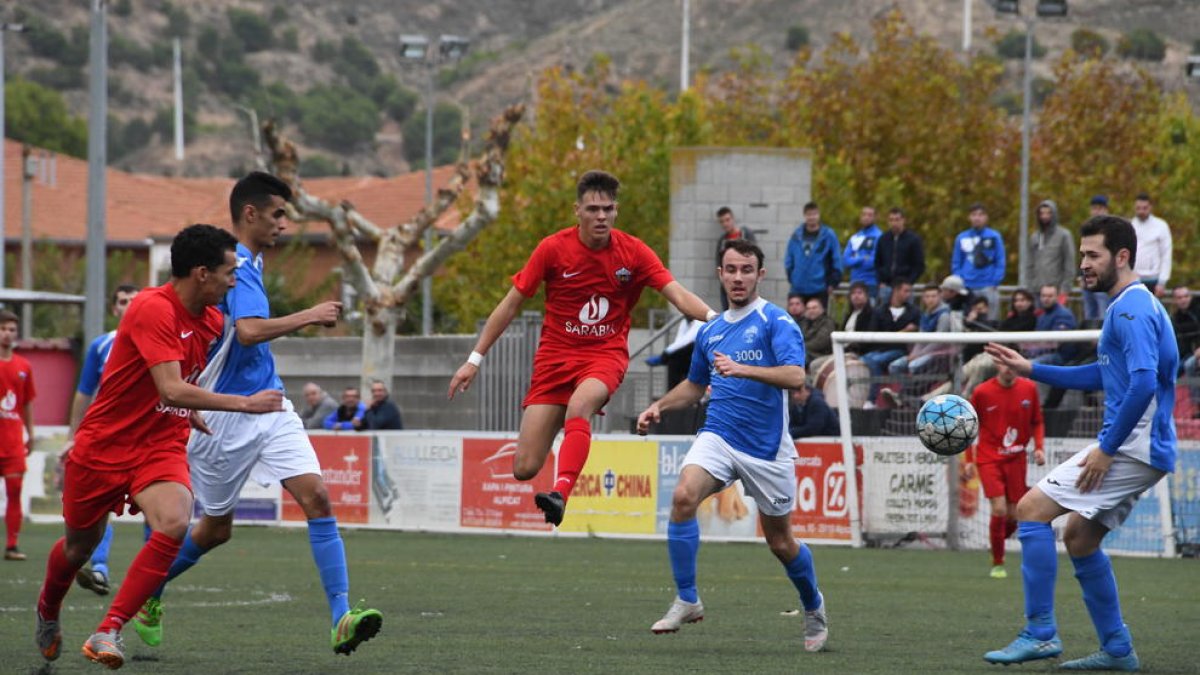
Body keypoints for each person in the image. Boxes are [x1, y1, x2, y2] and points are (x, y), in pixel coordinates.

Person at [133, 173, 382, 656]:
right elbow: (246, 331)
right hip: (224, 415)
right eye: (277, 215)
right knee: (214, 530)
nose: (284, 224)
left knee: (319, 499)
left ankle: (341, 617)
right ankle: (150, 591)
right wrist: (309, 314)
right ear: (250, 214)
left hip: (271, 404)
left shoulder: (250, 261)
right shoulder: (235, 265)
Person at [34, 224, 284, 668]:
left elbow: (177, 386)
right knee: (79, 548)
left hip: (160, 442)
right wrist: (244, 404)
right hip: (105, 445)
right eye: (229, 272)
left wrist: (191, 410)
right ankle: (48, 610)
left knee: (173, 520)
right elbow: (170, 388)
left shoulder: (209, 320)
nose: (234, 281)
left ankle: (108, 630)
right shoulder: (152, 308)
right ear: (202, 273)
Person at [447, 170, 716, 527]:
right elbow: (510, 305)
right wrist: (474, 360)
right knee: (524, 467)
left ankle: (560, 492)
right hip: (554, 360)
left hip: (603, 357)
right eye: (593, 209)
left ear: (616, 210)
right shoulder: (552, 249)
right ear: (578, 210)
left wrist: (717, 318)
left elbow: (679, 296)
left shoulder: (633, 252)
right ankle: (571, 435)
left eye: (607, 209)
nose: (601, 216)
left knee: (580, 406)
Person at [983, 215, 1178, 671]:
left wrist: (1107, 448)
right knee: (1079, 537)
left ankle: (1040, 632)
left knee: (1029, 509)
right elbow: (1103, 375)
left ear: (1122, 257)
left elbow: (1145, 383)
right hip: (1144, 446)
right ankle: (1117, 649)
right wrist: (1032, 369)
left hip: (1133, 446)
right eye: (1084, 255)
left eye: (1093, 255)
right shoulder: (1133, 305)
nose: (1084, 265)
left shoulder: (1129, 309)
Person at [634, 239, 827, 652]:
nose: (738, 277)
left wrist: (743, 369)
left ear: (760, 274)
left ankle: (813, 605)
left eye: (746, 270)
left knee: (781, 543)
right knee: (684, 496)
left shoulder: (776, 321)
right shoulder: (713, 329)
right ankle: (687, 598)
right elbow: (695, 384)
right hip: (719, 434)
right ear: (720, 274)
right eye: (730, 269)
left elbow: (796, 377)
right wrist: (660, 406)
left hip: (766, 448)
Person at [66, 284, 140, 593]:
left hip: (148, 439)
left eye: (134, 301)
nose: (128, 306)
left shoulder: (162, 340)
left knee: (165, 510)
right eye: (122, 301)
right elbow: (84, 393)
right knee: (102, 508)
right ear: (114, 309)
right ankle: (99, 567)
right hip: (109, 438)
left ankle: (153, 585)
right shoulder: (102, 346)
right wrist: (73, 435)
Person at [966, 359, 1045, 579]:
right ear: (997, 367)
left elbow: (1037, 421)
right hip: (988, 458)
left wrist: (1039, 448)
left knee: (1014, 515)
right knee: (999, 509)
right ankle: (998, 563)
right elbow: (971, 427)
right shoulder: (982, 392)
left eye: (1011, 364)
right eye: (1003, 364)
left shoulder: (1029, 388)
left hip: (1016, 459)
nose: (1008, 368)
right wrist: (970, 459)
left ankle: (996, 543)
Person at [0, 310, 34, 562]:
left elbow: (27, 403)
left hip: (12, 441)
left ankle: (12, 546)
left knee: (15, 490)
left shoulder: (24, 366)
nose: (7, 333)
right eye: (3, 329)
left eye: (11, 329)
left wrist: (30, 433)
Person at [860, 278, 920, 406]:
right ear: (896, 291)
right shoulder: (880, 310)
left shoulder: (914, 312)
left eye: (910, 291)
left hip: (899, 350)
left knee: (875, 361)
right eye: (906, 291)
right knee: (864, 359)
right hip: (880, 349)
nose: (908, 294)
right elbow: (873, 332)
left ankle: (871, 399)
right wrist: (903, 331)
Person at [784, 201, 842, 310]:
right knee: (794, 322)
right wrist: (792, 277)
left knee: (817, 321)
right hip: (797, 288)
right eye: (809, 214)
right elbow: (789, 258)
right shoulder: (796, 236)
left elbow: (836, 259)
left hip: (820, 288)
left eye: (814, 214)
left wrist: (833, 282)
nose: (812, 217)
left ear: (819, 215)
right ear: (804, 215)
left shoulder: (828, 235)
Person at [952, 204, 1006, 319]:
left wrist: (994, 281)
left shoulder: (994, 236)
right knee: (968, 320)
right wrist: (960, 281)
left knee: (991, 320)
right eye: (974, 215)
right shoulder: (961, 238)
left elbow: (1000, 260)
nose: (977, 218)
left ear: (986, 218)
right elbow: (956, 262)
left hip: (988, 285)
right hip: (967, 286)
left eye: (981, 215)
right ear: (969, 217)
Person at [1025, 200, 1075, 303]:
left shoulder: (1064, 235)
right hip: (1036, 291)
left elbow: (1069, 263)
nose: (1044, 216)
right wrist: (1029, 285)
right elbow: (1029, 263)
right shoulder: (1035, 237)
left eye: (1048, 213)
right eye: (1042, 213)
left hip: (1055, 291)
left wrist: (1065, 289)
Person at [873, 207, 925, 306]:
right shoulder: (883, 239)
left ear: (903, 220)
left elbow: (919, 265)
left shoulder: (913, 240)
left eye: (897, 220)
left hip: (905, 285)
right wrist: (880, 281)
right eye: (891, 220)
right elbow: (877, 262)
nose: (894, 223)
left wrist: (909, 282)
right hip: (886, 285)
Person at [714, 206, 756, 310]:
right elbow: (718, 263)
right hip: (727, 285)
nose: (725, 224)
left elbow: (755, 256)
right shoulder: (722, 241)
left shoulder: (745, 235)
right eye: (722, 221)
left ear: (733, 219)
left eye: (727, 220)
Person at [1130, 193, 1171, 298]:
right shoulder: (1130, 225)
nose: (1141, 211)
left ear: (1150, 207)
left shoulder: (1161, 226)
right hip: (1134, 279)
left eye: (1144, 208)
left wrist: (1162, 282)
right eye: (1138, 208)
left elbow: (1166, 254)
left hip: (1154, 279)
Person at [645, 318, 704, 390]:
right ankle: (673, 392)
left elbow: (687, 340)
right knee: (675, 358)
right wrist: (668, 353)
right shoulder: (685, 321)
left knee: (676, 358)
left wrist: (665, 354)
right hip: (687, 357)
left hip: (701, 355)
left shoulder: (701, 321)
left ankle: (672, 391)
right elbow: (679, 341)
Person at [1030, 284, 1079, 366]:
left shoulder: (1064, 314)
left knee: (1028, 364)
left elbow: (1056, 342)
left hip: (1061, 356)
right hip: (1044, 353)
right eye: (1044, 296)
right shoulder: (1042, 316)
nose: (1046, 299)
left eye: (1050, 296)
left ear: (1057, 297)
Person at [1081, 195, 1112, 324]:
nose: (1097, 211)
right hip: (1088, 275)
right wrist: (1081, 275)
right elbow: (1083, 253)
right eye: (1094, 208)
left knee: (1102, 310)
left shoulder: (1110, 229)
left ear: (1106, 210)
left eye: (1100, 208)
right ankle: (1089, 341)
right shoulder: (1087, 229)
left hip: (1102, 275)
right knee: (1089, 312)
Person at [842, 206, 882, 301]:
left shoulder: (879, 236)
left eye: (870, 215)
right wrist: (862, 258)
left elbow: (875, 261)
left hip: (871, 283)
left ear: (875, 217)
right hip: (855, 282)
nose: (866, 217)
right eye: (864, 214)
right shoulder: (855, 237)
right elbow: (845, 260)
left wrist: (856, 258)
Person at [799, 298, 835, 368]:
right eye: (808, 308)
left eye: (814, 308)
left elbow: (820, 343)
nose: (811, 311)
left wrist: (799, 346)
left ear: (822, 309)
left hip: (821, 355)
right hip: (807, 352)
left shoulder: (828, 323)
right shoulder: (804, 322)